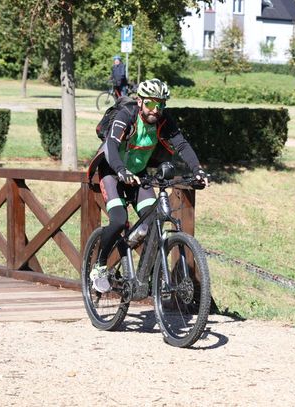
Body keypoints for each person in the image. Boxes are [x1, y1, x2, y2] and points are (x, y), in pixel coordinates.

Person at [86, 78, 209, 293]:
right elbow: (111, 145)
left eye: (160, 105)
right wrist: (121, 170)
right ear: (140, 101)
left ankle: (146, 274)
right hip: (112, 172)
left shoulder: (163, 120)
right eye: (151, 103)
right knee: (119, 220)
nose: (155, 110)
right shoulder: (127, 115)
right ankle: (100, 265)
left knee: (153, 221)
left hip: (139, 175)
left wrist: (197, 170)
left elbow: (181, 145)